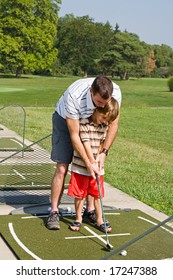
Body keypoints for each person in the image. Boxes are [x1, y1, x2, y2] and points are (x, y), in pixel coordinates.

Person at [46, 76, 121, 230]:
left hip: (96, 122)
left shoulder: (116, 92)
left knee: (93, 173)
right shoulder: (74, 96)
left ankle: (90, 211)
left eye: (105, 103)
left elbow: (113, 124)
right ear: (91, 92)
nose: (101, 105)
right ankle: (54, 211)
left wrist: (103, 153)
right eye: (99, 102)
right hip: (66, 119)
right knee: (62, 166)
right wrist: (87, 162)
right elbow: (75, 135)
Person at [68, 98, 119, 232]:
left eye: (108, 120)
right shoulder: (84, 123)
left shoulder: (104, 126)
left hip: (97, 167)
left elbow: (102, 143)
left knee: (97, 194)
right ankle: (78, 218)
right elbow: (85, 144)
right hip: (81, 167)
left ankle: (99, 219)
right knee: (79, 194)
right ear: (96, 110)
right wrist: (91, 162)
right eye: (103, 117)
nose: (105, 121)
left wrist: (98, 160)